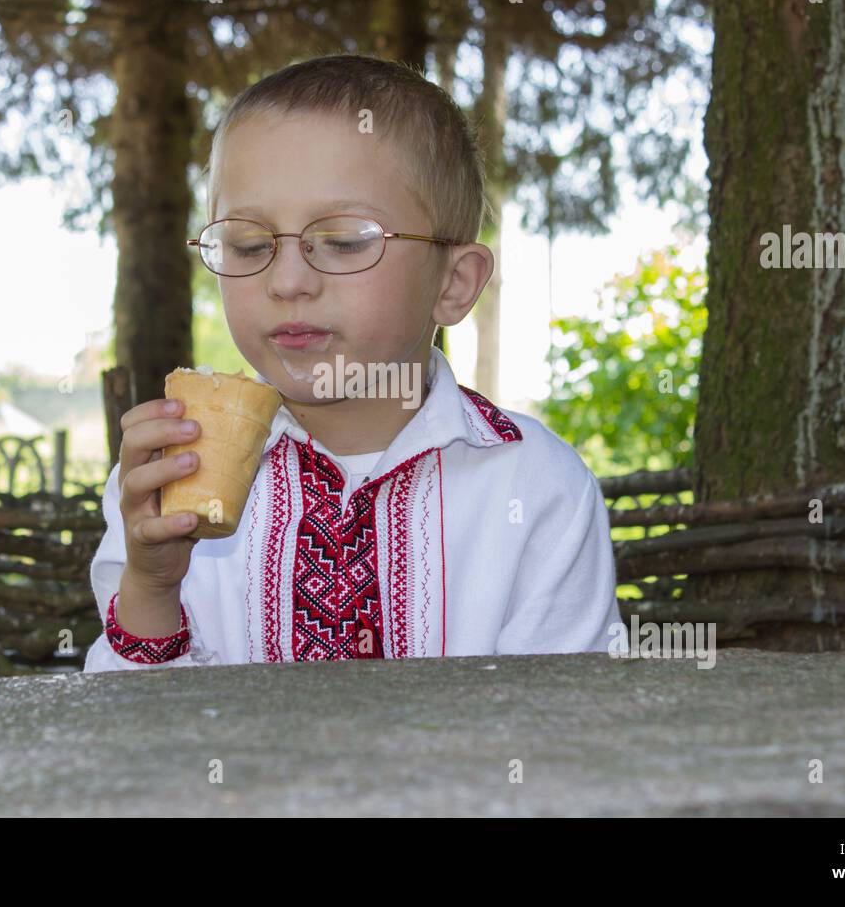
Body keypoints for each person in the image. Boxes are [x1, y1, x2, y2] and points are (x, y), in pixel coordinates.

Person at [84, 53, 626, 671]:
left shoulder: (537, 486)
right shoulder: (166, 476)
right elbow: (135, 737)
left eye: (343, 242)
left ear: (453, 283)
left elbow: (560, 731)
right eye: (250, 243)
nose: (287, 280)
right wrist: (152, 588)